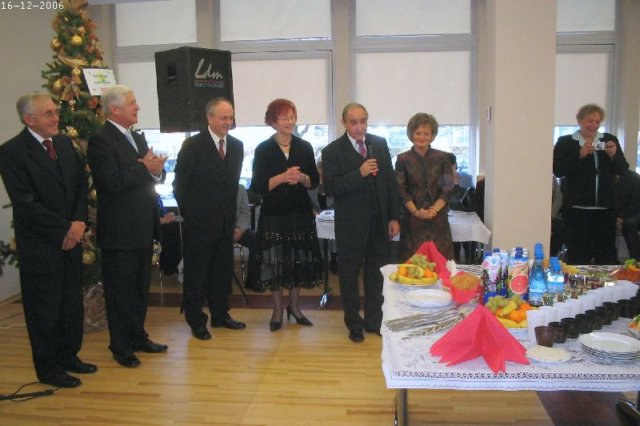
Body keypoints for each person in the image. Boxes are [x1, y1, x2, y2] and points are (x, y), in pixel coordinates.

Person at [0, 92, 95, 388]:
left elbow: (80, 187)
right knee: (44, 310)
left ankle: (69, 356)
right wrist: (64, 229)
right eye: (49, 113)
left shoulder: (65, 145)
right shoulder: (12, 152)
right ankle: (48, 369)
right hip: (42, 245)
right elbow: (26, 203)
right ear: (29, 119)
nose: (56, 118)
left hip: (72, 240)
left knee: (70, 305)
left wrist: (78, 225)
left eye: (55, 111)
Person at [88, 85, 168, 368]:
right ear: (114, 109)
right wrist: (144, 167)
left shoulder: (136, 136)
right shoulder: (100, 140)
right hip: (119, 231)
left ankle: (137, 336)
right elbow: (109, 182)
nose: (138, 107)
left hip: (142, 226)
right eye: (132, 103)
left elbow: (149, 175)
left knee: (139, 290)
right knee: (120, 292)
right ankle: (120, 346)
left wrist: (157, 170)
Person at [322, 103, 400, 343]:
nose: (359, 127)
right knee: (349, 275)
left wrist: (394, 217)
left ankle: (374, 321)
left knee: (376, 275)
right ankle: (354, 323)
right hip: (350, 225)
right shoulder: (332, 151)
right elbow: (331, 188)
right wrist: (360, 173)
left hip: (378, 222)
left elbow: (390, 183)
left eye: (363, 121)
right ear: (344, 123)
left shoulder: (379, 144)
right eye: (353, 122)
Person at [173, 97, 245, 340]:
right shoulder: (192, 145)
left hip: (225, 224)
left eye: (231, 117)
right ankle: (196, 320)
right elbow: (179, 186)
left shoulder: (236, 146)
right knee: (196, 275)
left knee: (222, 272)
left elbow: (231, 187)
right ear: (210, 118)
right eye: (223, 117)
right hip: (198, 225)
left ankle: (221, 314)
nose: (228, 122)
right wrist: (192, 214)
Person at [250, 98, 323, 331]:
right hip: (274, 214)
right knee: (275, 261)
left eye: (292, 117)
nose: (289, 121)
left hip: (300, 212)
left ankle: (295, 306)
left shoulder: (304, 147)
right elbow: (257, 187)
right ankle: (277, 310)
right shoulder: (263, 149)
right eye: (284, 117)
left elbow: (314, 181)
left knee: (298, 260)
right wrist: (282, 178)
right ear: (273, 122)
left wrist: (302, 178)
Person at [553, 104, 628, 265]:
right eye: (590, 121)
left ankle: (605, 281)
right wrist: (579, 155)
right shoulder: (566, 142)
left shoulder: (609, 140)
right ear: (580, 121)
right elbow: (558, 169)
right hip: (577, 209)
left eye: (597, 122)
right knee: (578, 254)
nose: (594, 125)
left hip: (606, 209)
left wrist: (614, 154)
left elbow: (622, 169)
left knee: (606, 254)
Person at [395, 113, 454, 261]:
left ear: (432, 135)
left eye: (426, 133)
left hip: (438, 221)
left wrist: (434, 210)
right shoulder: (402, 159)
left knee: (441, 265)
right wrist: (416, 212)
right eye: (418, 133)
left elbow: (447, 188)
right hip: (412, 222)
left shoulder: (443, 158)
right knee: (412, 266)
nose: (422, 137)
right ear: (411, 134)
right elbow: (401, 190)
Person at [447, 152, 476, 264]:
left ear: (455, 164)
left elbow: (472, 197)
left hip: (465, 214)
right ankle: (455, 262)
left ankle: (470, 262)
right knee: (453, 237)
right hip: (450, 215)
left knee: (468, 238)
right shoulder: (442, 180)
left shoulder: (466, 178)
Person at [235, 184, 261, 292]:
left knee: (256, 239)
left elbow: (245, 213)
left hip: (237, 228)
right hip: (217, 230)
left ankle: (252, 281)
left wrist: (240, 229)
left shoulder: (240, 188)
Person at [616, 169, 640, 260]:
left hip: (635, 212)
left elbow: (635, 202)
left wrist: (621, 217)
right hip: (621, 213)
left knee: (629, 223)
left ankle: (636, 258)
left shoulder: (633, 178)